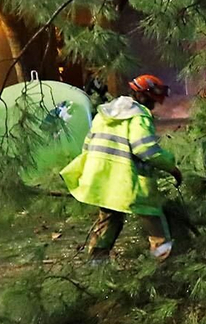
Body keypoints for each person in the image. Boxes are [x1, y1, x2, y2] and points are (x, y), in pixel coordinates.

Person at [61, 73, 182, 262]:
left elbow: (88, 145)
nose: (155, 103)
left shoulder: (105, 114)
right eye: (153, 98)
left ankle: (97, 265)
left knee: (109, 221)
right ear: (144, 95)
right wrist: (171, 167)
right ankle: (163, 264)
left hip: (101, 178)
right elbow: (145, 149)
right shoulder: (138, 116)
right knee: (153, 219)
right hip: (128, 181)